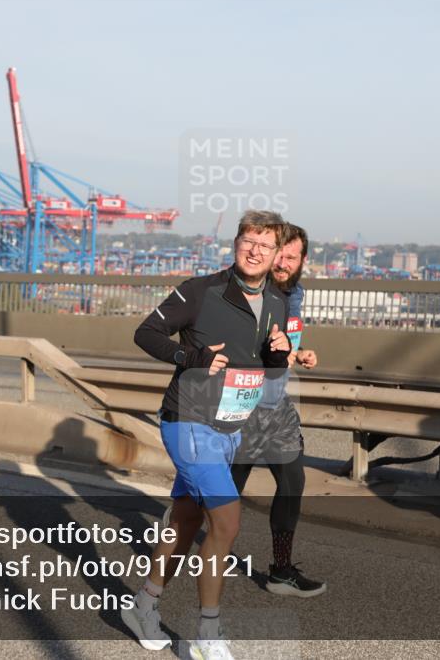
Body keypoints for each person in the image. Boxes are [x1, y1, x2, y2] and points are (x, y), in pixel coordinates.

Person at [124, 210, 292, 659]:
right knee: (227, 522)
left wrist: (281, 354)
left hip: (230, 428)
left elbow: (267, 368)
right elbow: (145, 332)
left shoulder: (277, 302)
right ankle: (206, 637)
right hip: (188, 421)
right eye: (248, 241)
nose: (256, 251)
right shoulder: (202, 290)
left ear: (277, 254)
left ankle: (144, 605)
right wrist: (191, 356)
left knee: (185, 519)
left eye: (265, 244)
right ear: (236, 244)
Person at [230, 224, 327, 597]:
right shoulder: (252, 291)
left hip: (276, 406)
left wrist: (297, 354)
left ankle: (280, 571)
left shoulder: (296, 294)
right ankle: (181, 530)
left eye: (291, 256)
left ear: (303, 260)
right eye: (279, 255)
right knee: (225, 491)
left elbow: (285, 343)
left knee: (292, 483)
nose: (283, 263)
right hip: (242, 405)